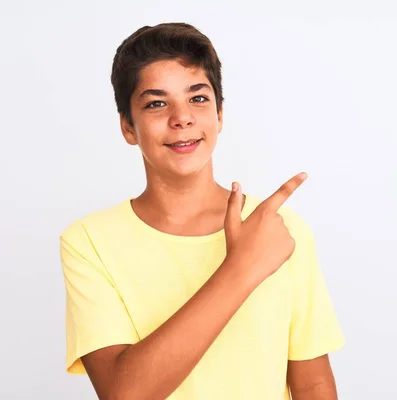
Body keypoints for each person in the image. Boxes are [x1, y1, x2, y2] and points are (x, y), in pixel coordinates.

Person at [59, 22, 345, 400]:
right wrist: (242, 268)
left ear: (220, 114)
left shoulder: (279, 229)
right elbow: (123, 393)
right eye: (157, 103)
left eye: (197, 98)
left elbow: (312, 383)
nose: (182, 117)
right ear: (128, 127)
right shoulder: (88, 242)